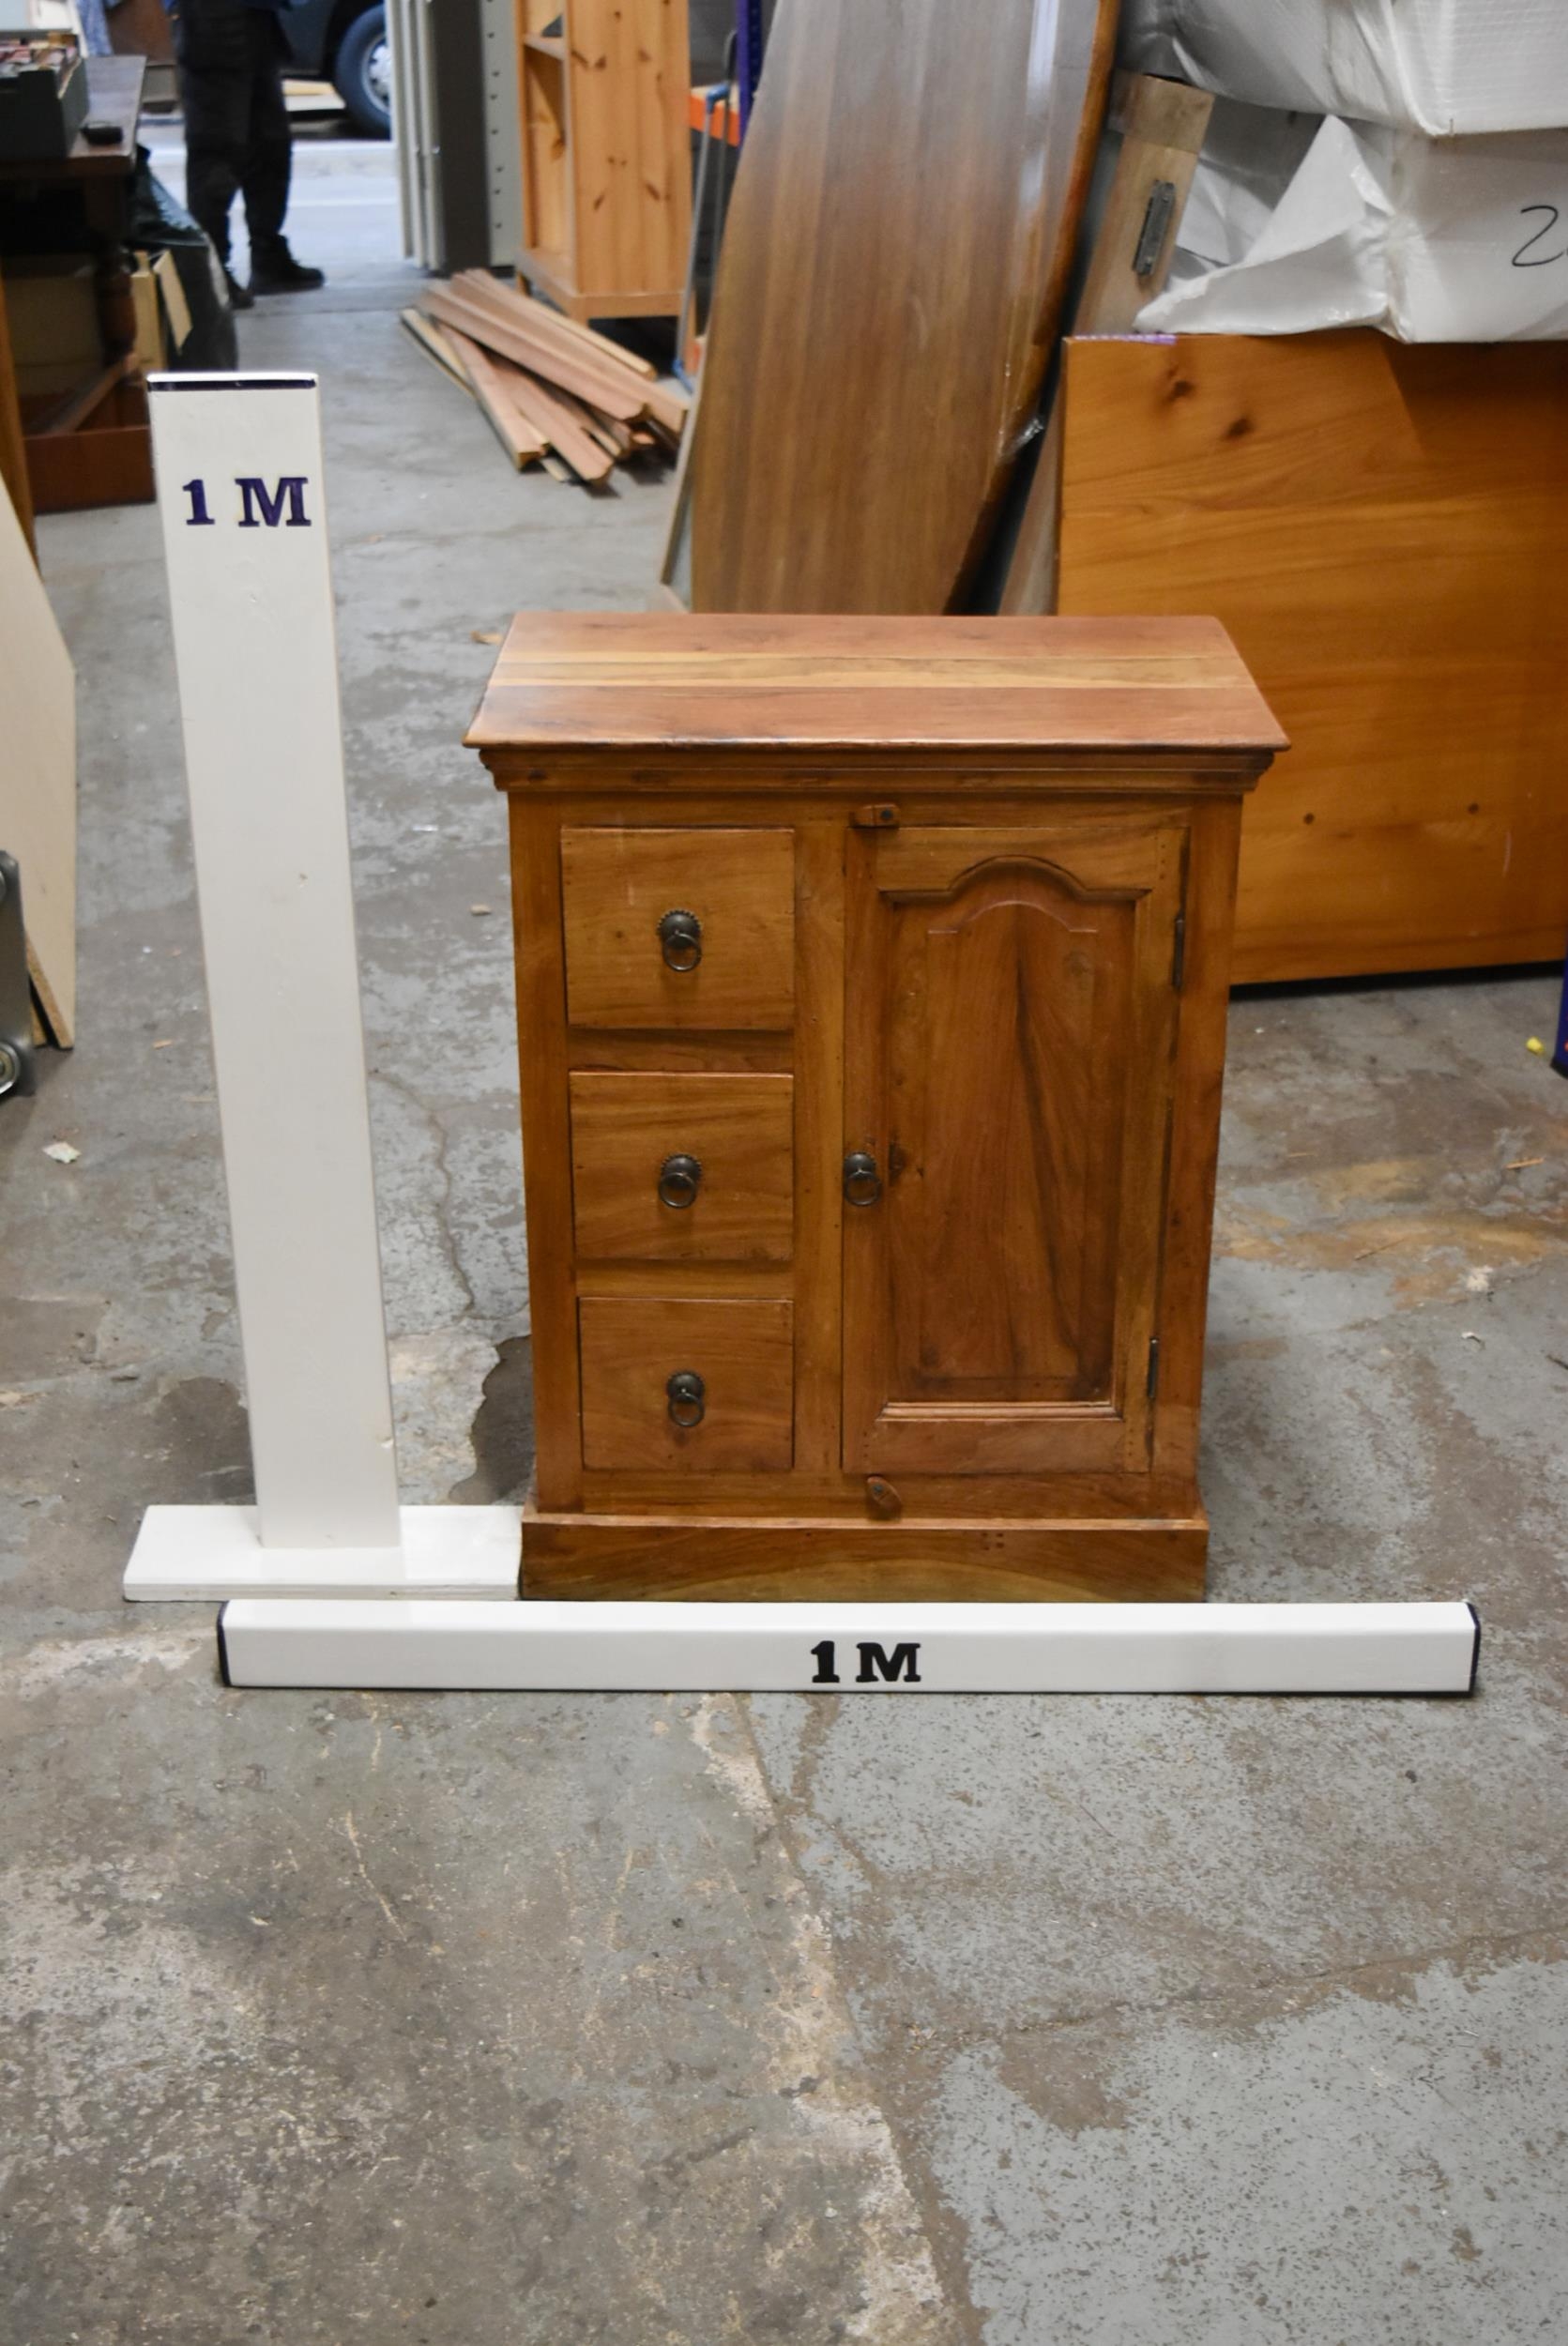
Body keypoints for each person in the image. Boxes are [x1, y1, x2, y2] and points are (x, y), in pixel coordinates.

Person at [171, 0, 325, 309]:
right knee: (217, 146)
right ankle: (211, 275)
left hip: (257, 11)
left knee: (270, 141)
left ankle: (267, 256)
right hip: (212, 15)